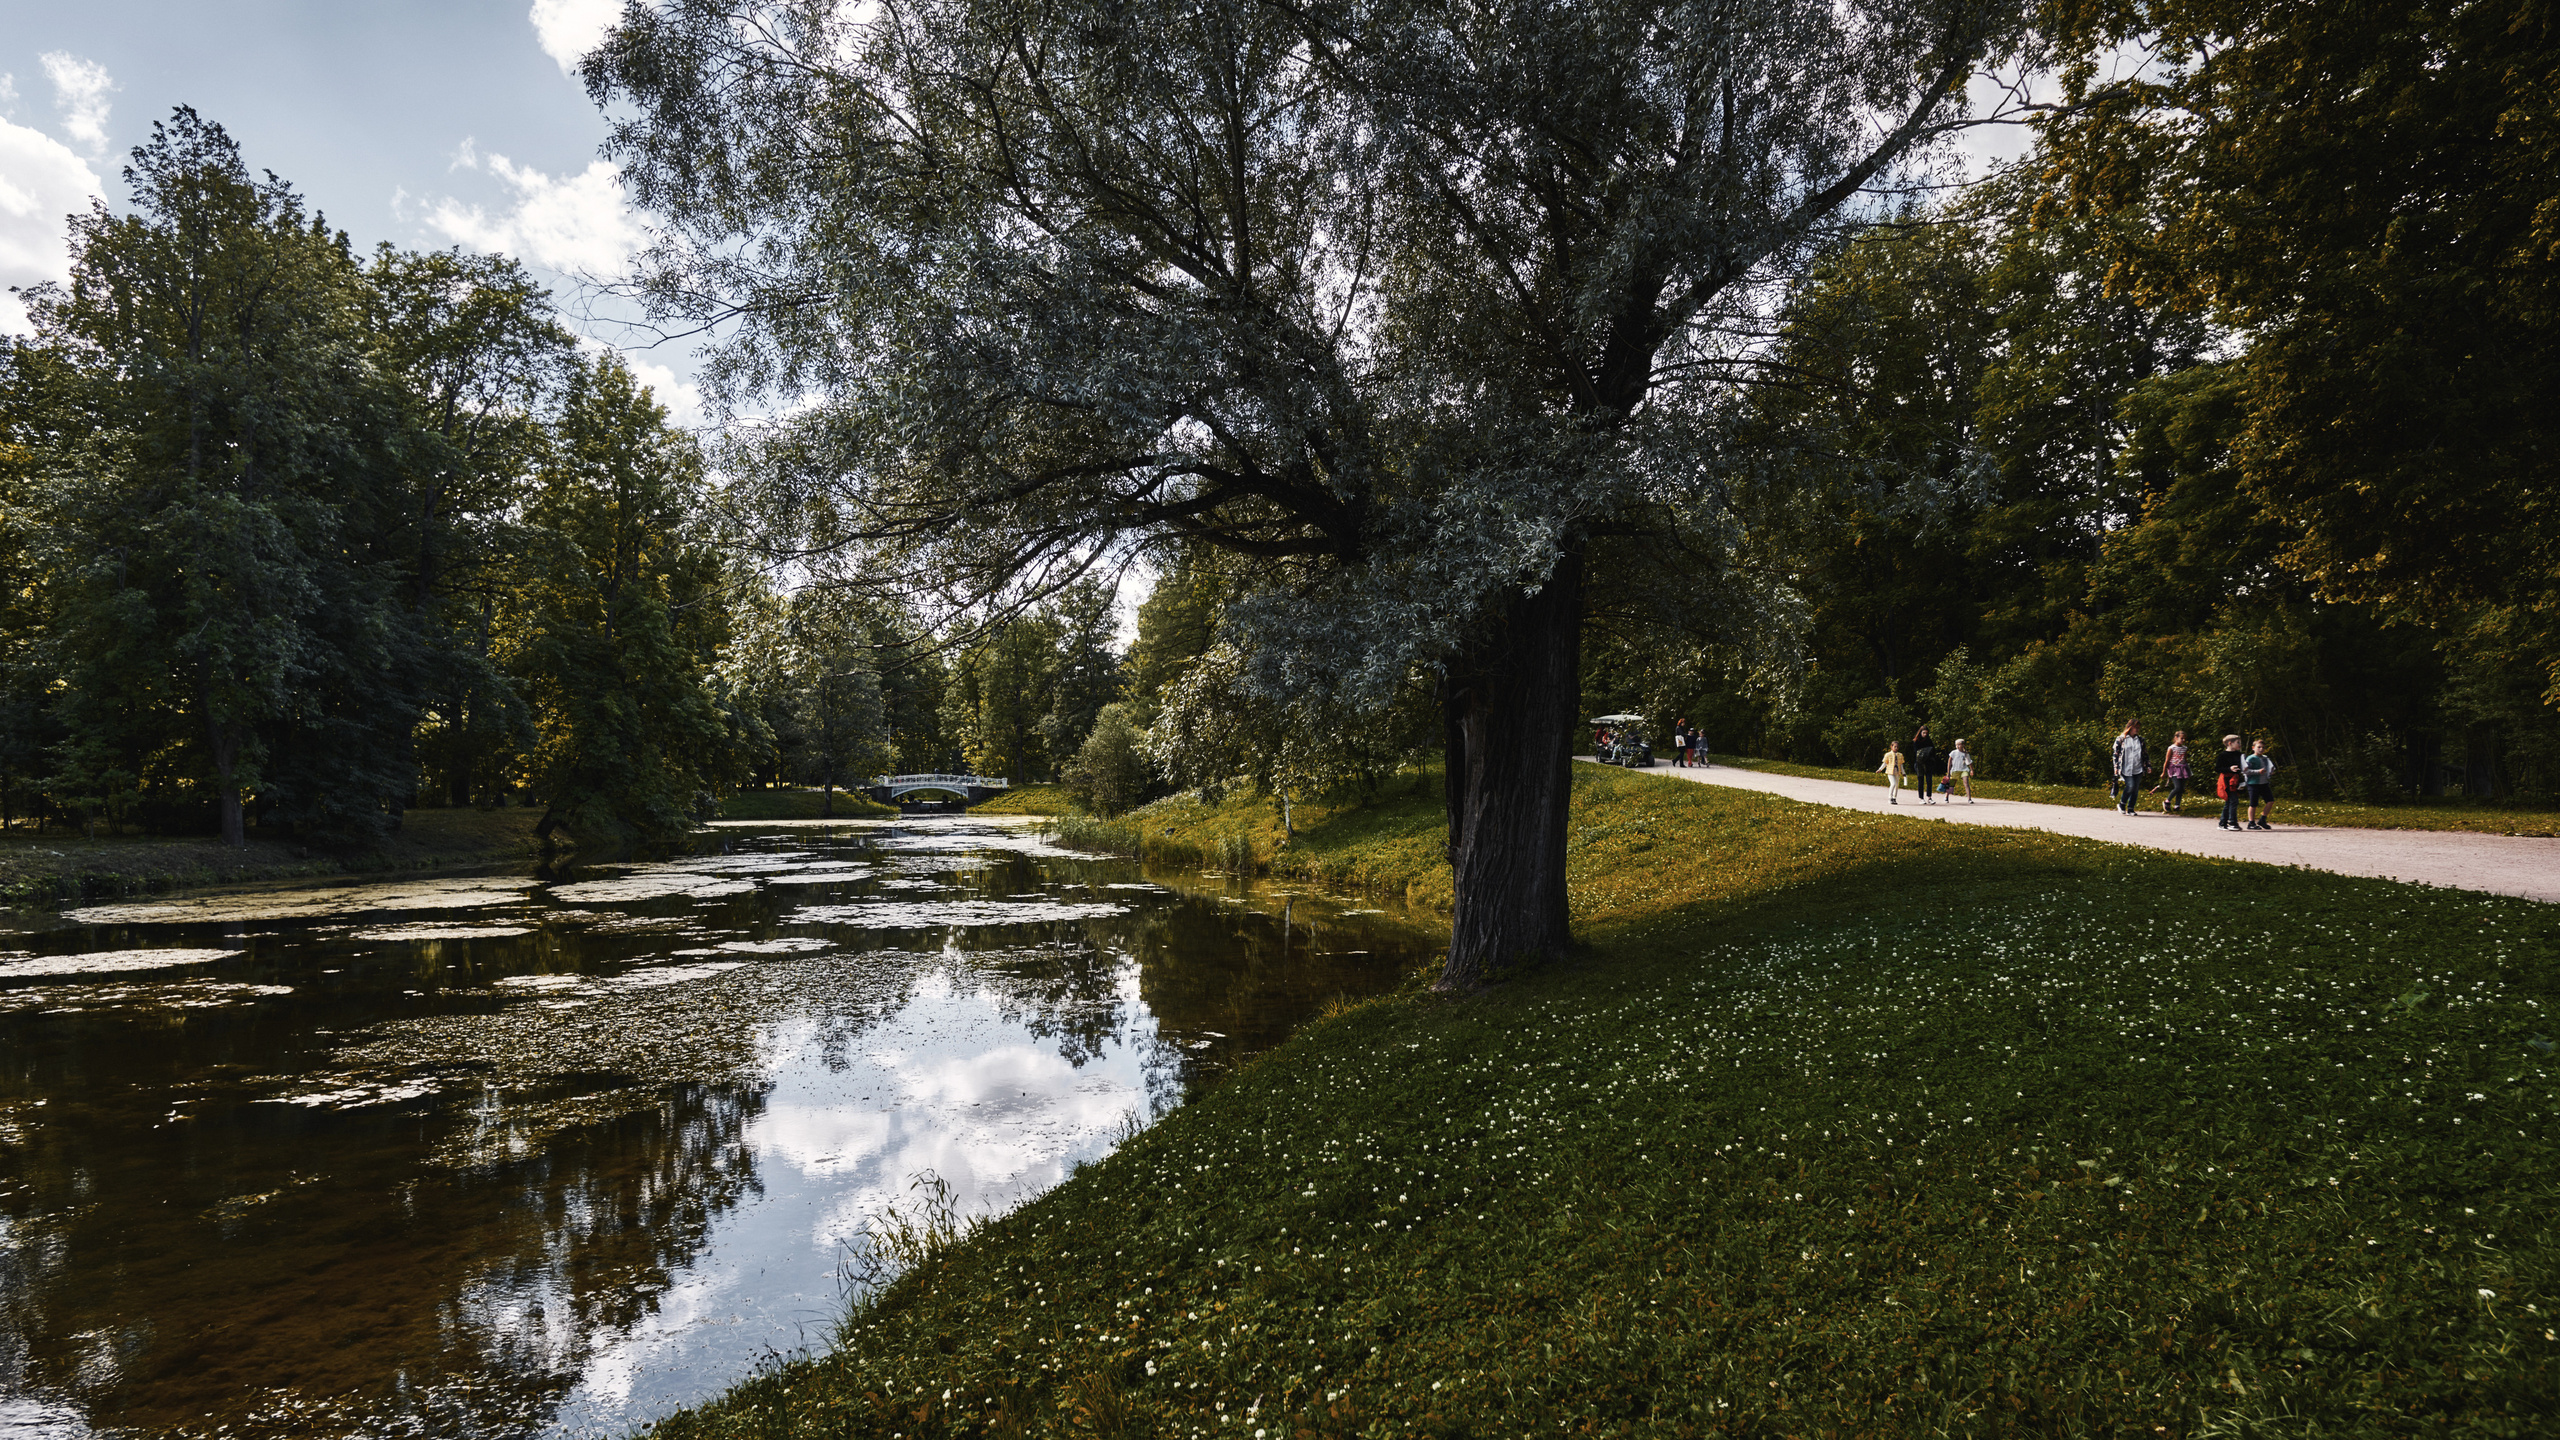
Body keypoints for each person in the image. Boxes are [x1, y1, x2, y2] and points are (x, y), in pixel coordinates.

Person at [2111, 720, 2146, 814]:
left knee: (2135, 789)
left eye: (2139, 728)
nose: (2138, 729)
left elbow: (2144, 754)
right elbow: (2116, 755)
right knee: (2130, 786)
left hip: (2137, 768)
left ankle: (2131, 808)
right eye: (2136, 727)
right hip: (2125, 768)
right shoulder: (2121, 739)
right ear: (2130, 727)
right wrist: (2116, 768)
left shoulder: (2140, 740)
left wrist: (2148, 765)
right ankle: (2122, 804)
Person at [2241, 738, 2277, 829]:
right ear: (2253, 748)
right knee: (2253, 804)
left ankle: (2262, 819)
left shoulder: (2265, 758)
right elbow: (2245, 771)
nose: (2261, 749)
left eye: (2263, 747)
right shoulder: (2251, 758)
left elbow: (2269, 767)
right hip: (2253, 783)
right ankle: (2251, 823)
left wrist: (2271, 772)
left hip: (2264, 783)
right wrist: (2258, 771)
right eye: (2259, 747)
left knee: (2270, 801)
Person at [2214, 734, 2246, 830]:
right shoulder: (2223, 755)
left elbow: (2243, 766)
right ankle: (2232, 823)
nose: (2240, 744)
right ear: (2230, 743)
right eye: (2238, 742)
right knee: (2233, 801)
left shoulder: (2239, 755)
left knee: (2229, 802)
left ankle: (2222, 823)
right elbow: (2217, 768)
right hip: (2226, 781)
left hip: (2236, 780)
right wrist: (2229, 768)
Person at [2158, 730, 2191, 815]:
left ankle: (2177, 805)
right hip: (2174, 769)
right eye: (2181, 738)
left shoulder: (2185, 748)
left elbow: (2185, 759)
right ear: (2176, 738)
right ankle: (2167, 801)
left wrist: (2188, 769)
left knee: (2182, 788)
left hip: (2183, 768)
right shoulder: (2171, 748)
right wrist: (2164, 772)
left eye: (2184, 739)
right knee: (2178, 787)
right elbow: (2167, 760)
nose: (2183, 740)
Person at [1909, 726, 1940, 805]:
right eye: (1924, 733)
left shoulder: (1929, 741)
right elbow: (1916, 754)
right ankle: (1921, 798)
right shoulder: (1916, 741)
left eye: (1926, 733)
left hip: (1928, 763)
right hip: (1919, 763)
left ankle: (1929, 797)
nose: (1925, 734)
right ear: (1920, 732)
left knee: (1929, 780)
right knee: (1921, 781)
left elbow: (1933, 751)